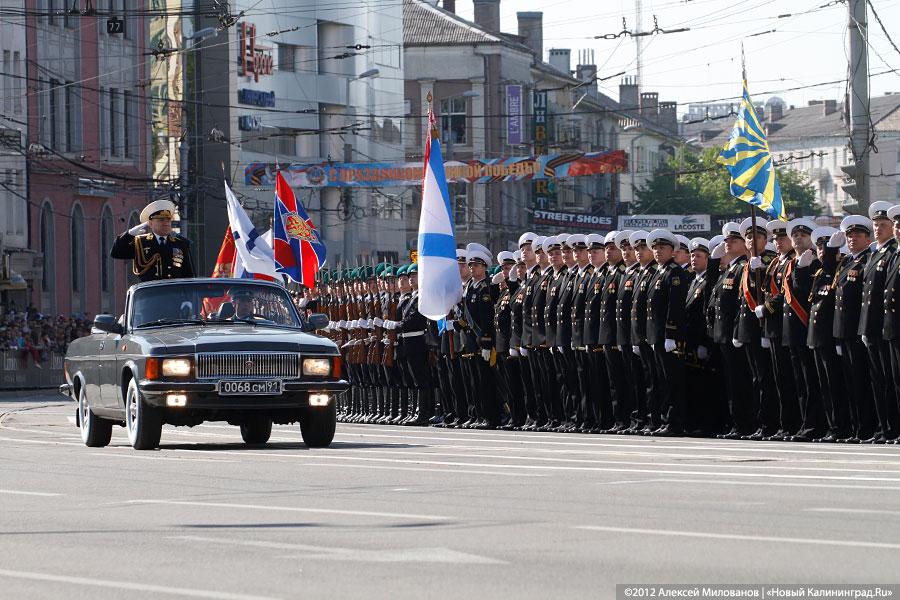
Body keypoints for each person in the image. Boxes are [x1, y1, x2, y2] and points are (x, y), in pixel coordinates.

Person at [111, 199, 194, 282]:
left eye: (168, 220)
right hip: (149, 289)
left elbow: (188, 275)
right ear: (150, 224)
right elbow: (116, 253)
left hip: (173, 289)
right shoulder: (140, 243)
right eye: (161, 220)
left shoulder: (180, 243)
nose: (166, 223)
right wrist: (129, 234)